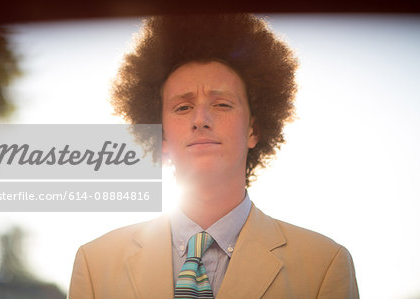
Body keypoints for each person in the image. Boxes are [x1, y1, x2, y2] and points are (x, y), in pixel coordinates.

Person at [68, 14, 359, 298]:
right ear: (163, 136)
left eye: (221, 104)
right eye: (183, 107)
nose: (201, 119)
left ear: (253, 129)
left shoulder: (325, 265)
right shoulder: (95, 265)